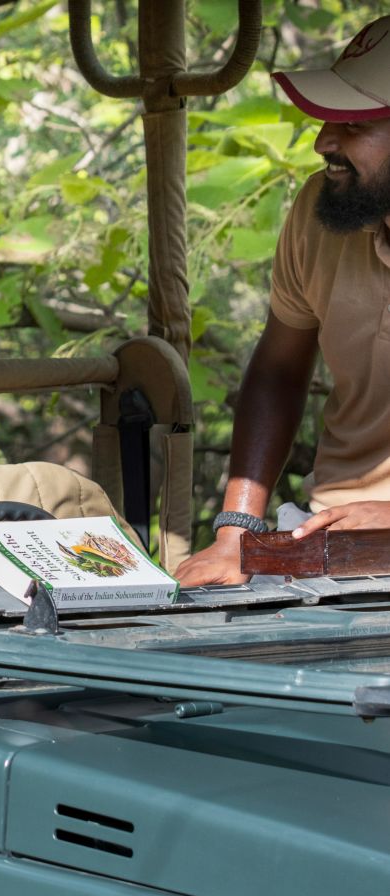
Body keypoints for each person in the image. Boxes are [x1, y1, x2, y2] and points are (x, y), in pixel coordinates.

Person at [175, 15, 390, 585]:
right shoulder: (320, 212)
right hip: (329, 537)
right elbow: (277, 368)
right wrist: (238, 531)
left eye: (354, 123)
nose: (323, 140)